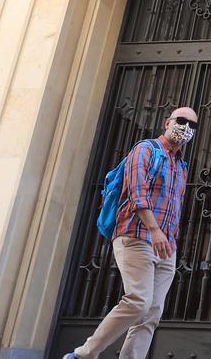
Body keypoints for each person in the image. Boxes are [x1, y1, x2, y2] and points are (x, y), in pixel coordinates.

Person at [64, 106, 196, 359]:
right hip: (137, 236)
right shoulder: (146, 149)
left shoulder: (181, 165)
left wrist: (170, 240)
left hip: (166, 246)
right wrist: (155, 230)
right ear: (167, 123)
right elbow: (137, 193)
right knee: (138, 301)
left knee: (152, 312)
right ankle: (83, 355)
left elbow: (175, 206)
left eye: (192, 125)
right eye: (181, 121)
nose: (186, 128)